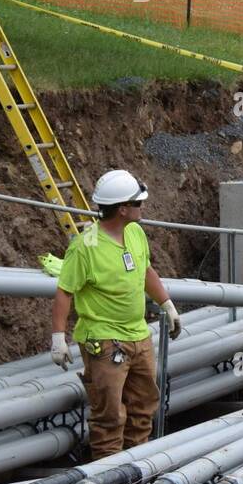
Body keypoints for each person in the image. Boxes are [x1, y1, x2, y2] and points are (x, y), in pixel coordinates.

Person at [51, 169, 180, 460]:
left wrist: (167, 304)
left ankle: (137, 469)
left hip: (138, 334)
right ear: (123, 209)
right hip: (105, 341)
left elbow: (145, 270)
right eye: (138, 203)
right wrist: (58, 337)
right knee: (109, 414)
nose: (142, 208)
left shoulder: (135, 233)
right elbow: (65, 291)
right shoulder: (85, 248)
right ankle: (109, 479)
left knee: (144, 405)